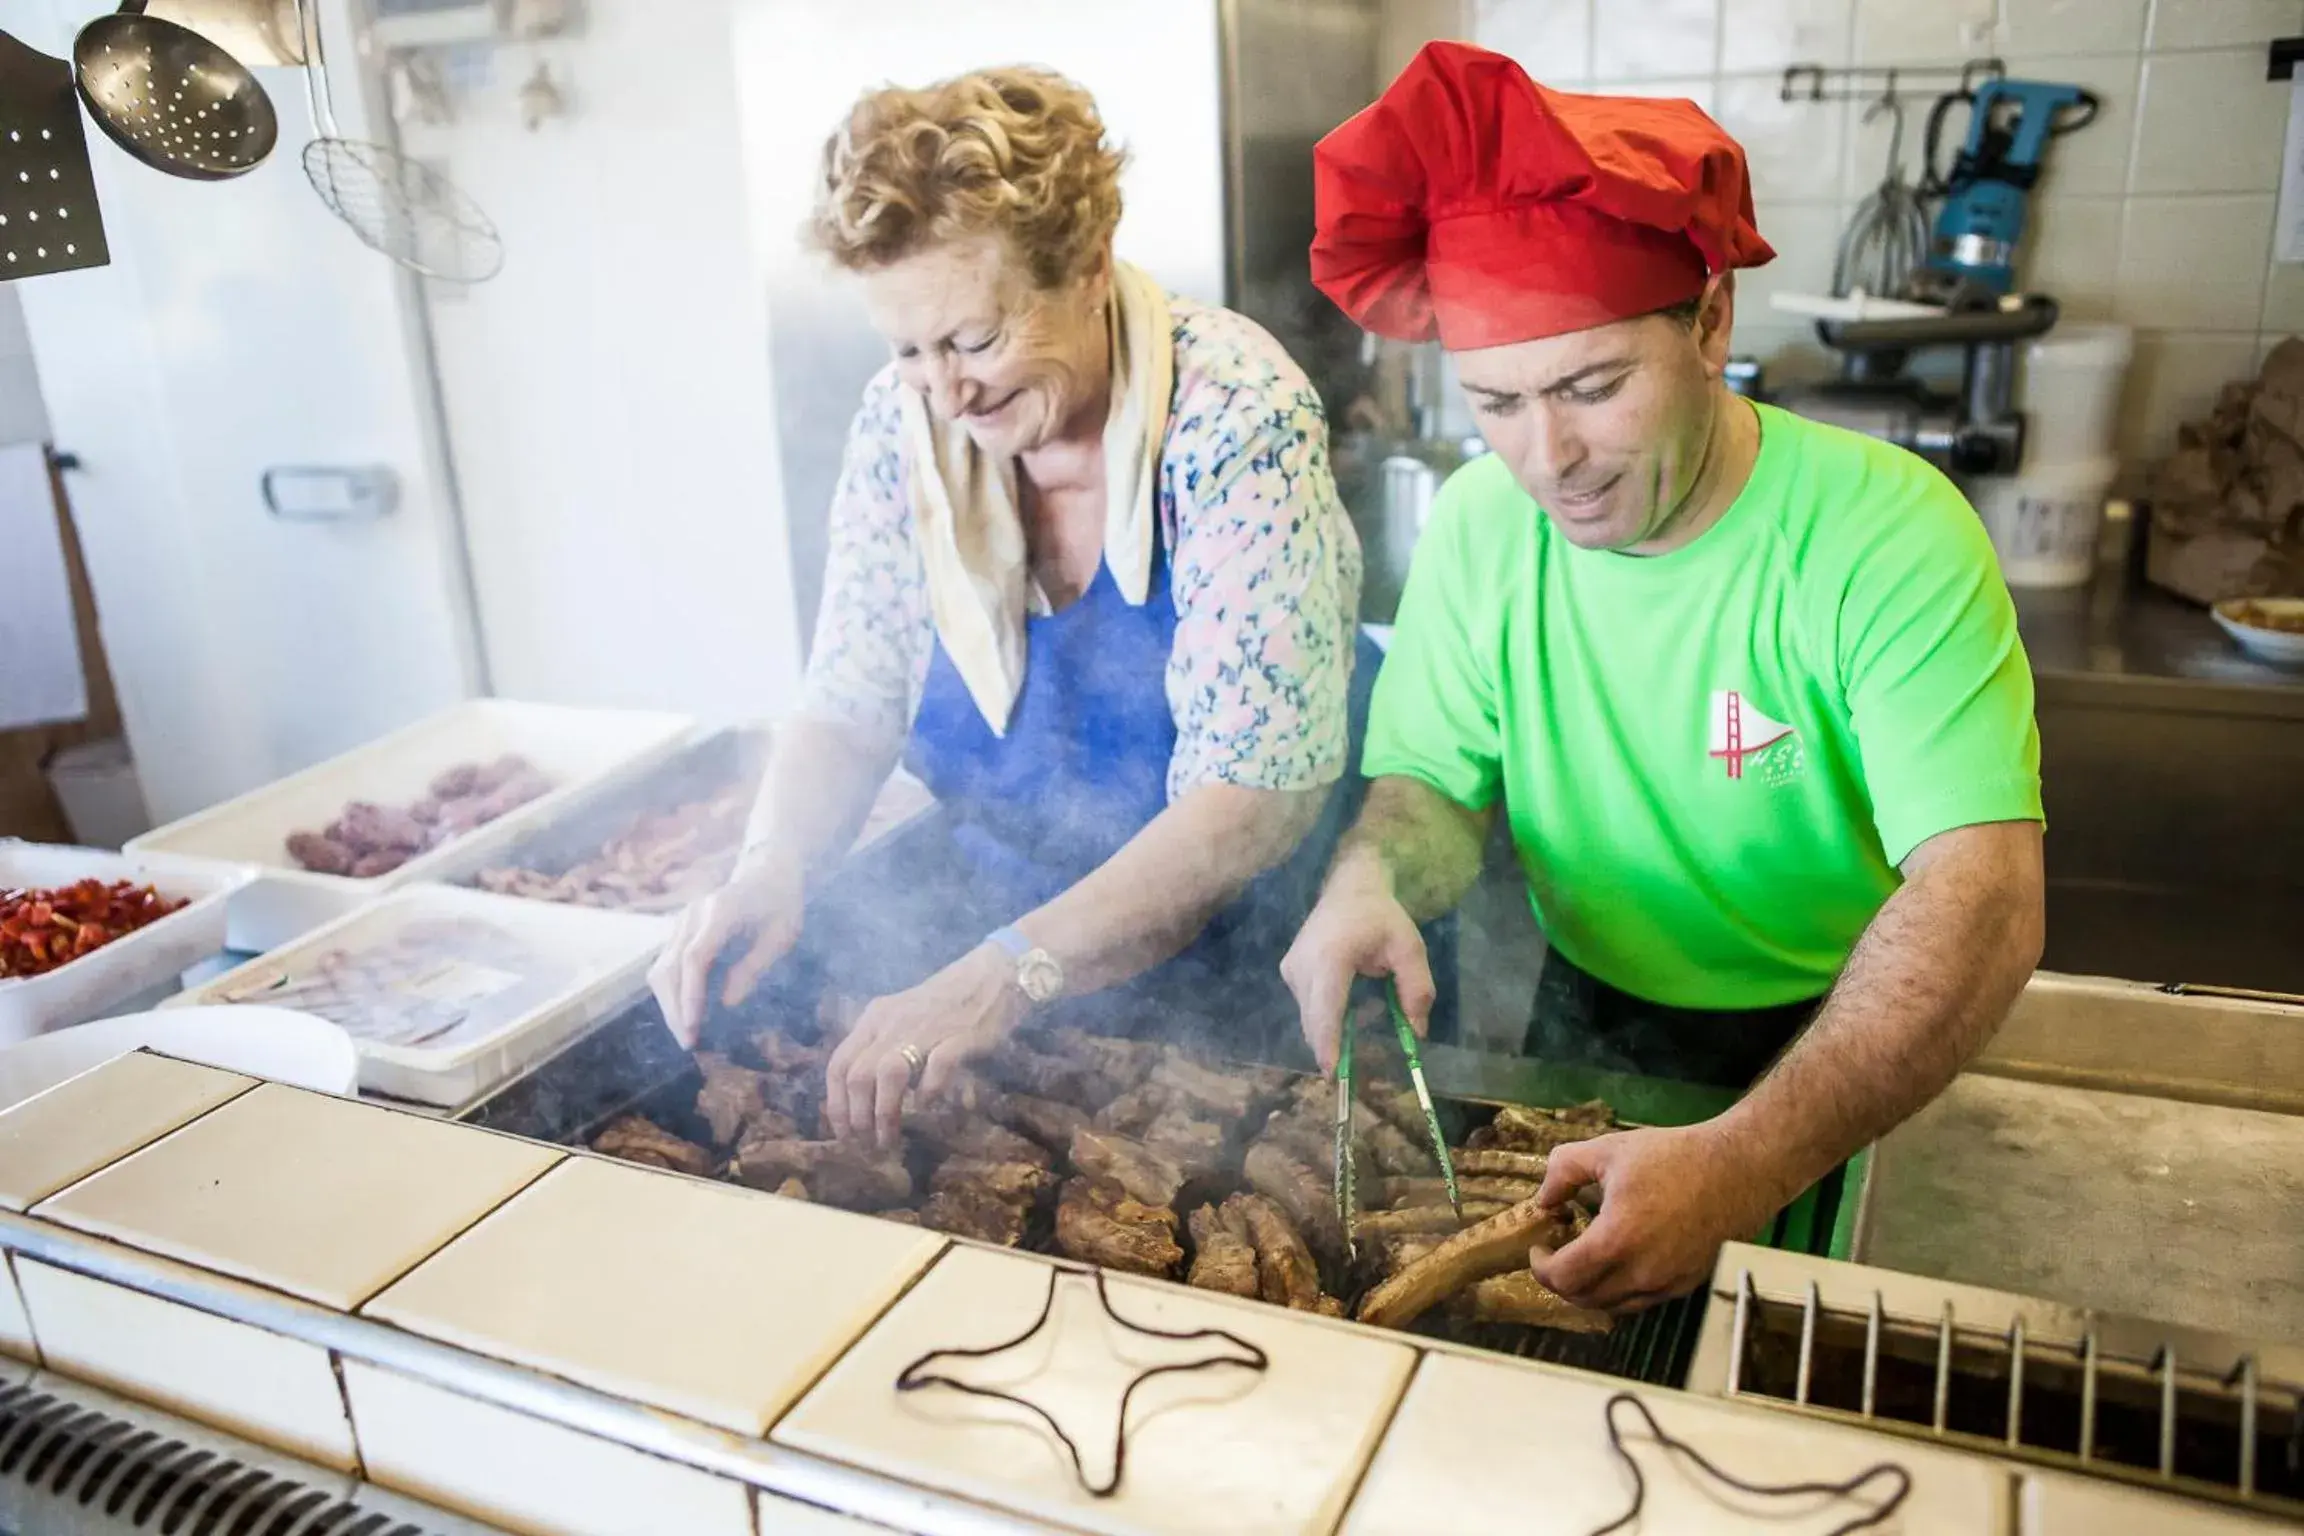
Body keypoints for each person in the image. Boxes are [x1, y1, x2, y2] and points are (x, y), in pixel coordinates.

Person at [1282, 42, 2046, 1312]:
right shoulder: (1479, 524)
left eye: (1591, 385)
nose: (1549, 457)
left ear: (1709, 323)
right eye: (1499, 401)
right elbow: (1429, 786)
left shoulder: (1885, 535)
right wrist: (1368, 883)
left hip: (1842, 1041)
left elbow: (1984, 898)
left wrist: (1742, 1161)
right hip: (1585, 1025)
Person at [651, 65, 1367, 1147]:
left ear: (1085, 268)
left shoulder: (1234, 419)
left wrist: (1010, 973)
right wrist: (772, 866)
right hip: (1012, 953)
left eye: (975, 340)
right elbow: (851, 698)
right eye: (907, 349)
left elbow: (1248, 800)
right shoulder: (905, 427)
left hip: (1255, 964)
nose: (946, 393)